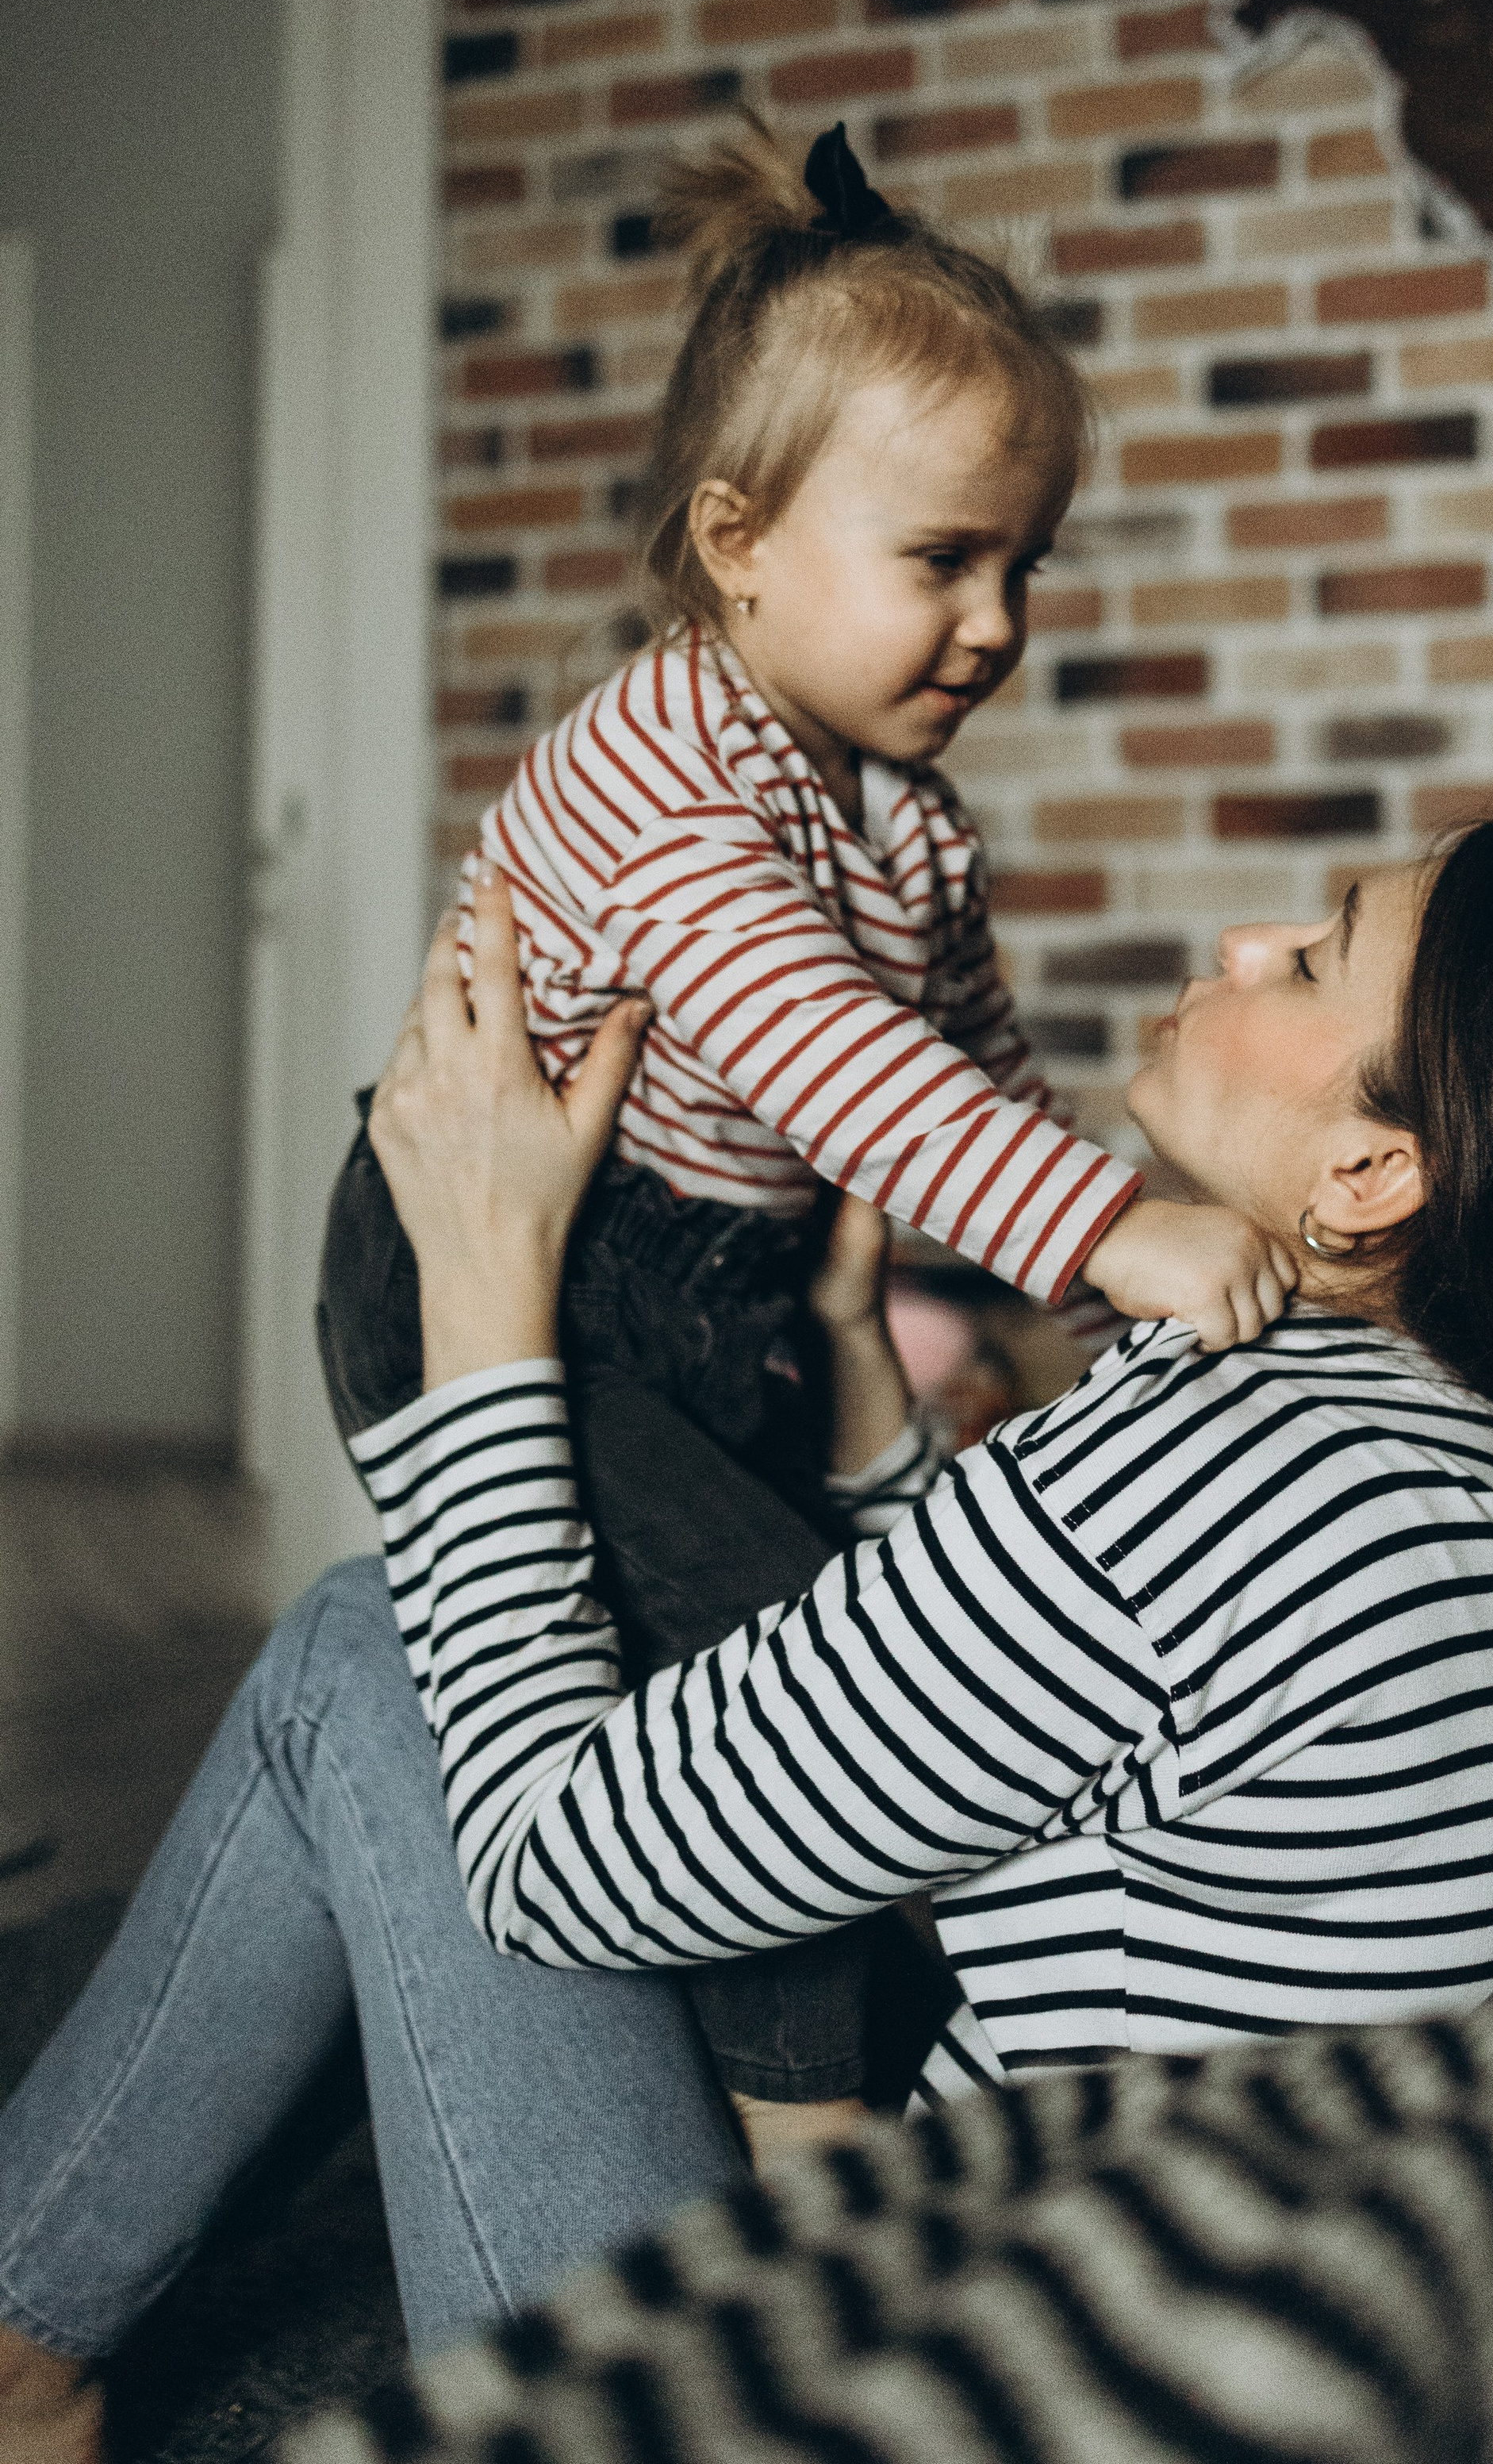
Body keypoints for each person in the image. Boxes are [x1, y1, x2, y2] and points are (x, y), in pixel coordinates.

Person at [0, 813, 1493, 2460]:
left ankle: (15, 2347)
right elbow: (1010, 1687)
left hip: (908, 2397)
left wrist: (484, 1297)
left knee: (371, 1654)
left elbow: (551, 1868)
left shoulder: (1227, 1455)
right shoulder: (1481, 1494)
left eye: (1316, 954)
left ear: (1369, 1174)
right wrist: (864, 1389)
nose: (1249, 940)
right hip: (1144, 2354)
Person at [314, 115, 1293, 2152]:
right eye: (942, 560)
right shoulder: (673, 766)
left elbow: (973, 1075)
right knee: (767, 1670)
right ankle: (798, 2122)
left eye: (1024, 565)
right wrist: (1109, 1231)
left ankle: (674, 2037)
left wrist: (1079, 1278)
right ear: (737, 540)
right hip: (516, 1268)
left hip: (713, 1286)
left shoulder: (905, 819)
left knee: (792, 1640)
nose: (999, 622)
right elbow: (833, 1062)